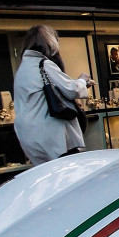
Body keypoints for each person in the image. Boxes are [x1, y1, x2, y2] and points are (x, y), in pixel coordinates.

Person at [13, 25, 94, 166]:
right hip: (52, 134)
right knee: (68, 173)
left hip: (29, 135)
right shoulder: (44, 64)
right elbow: (71, 90)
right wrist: (82, 80)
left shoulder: (22, 70)